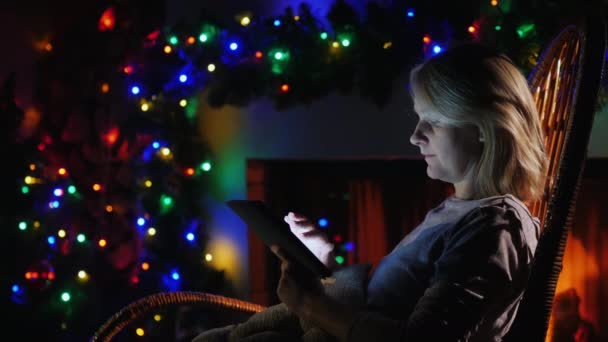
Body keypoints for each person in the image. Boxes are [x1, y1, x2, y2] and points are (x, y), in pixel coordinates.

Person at [270, 42, 547, 341]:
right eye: (418, 118)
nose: (415, 137)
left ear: (484, 127)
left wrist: (310, 306)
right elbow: (381, 307)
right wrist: (325, 264)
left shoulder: (495, 229)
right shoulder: (457, 211)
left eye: (434, 122)